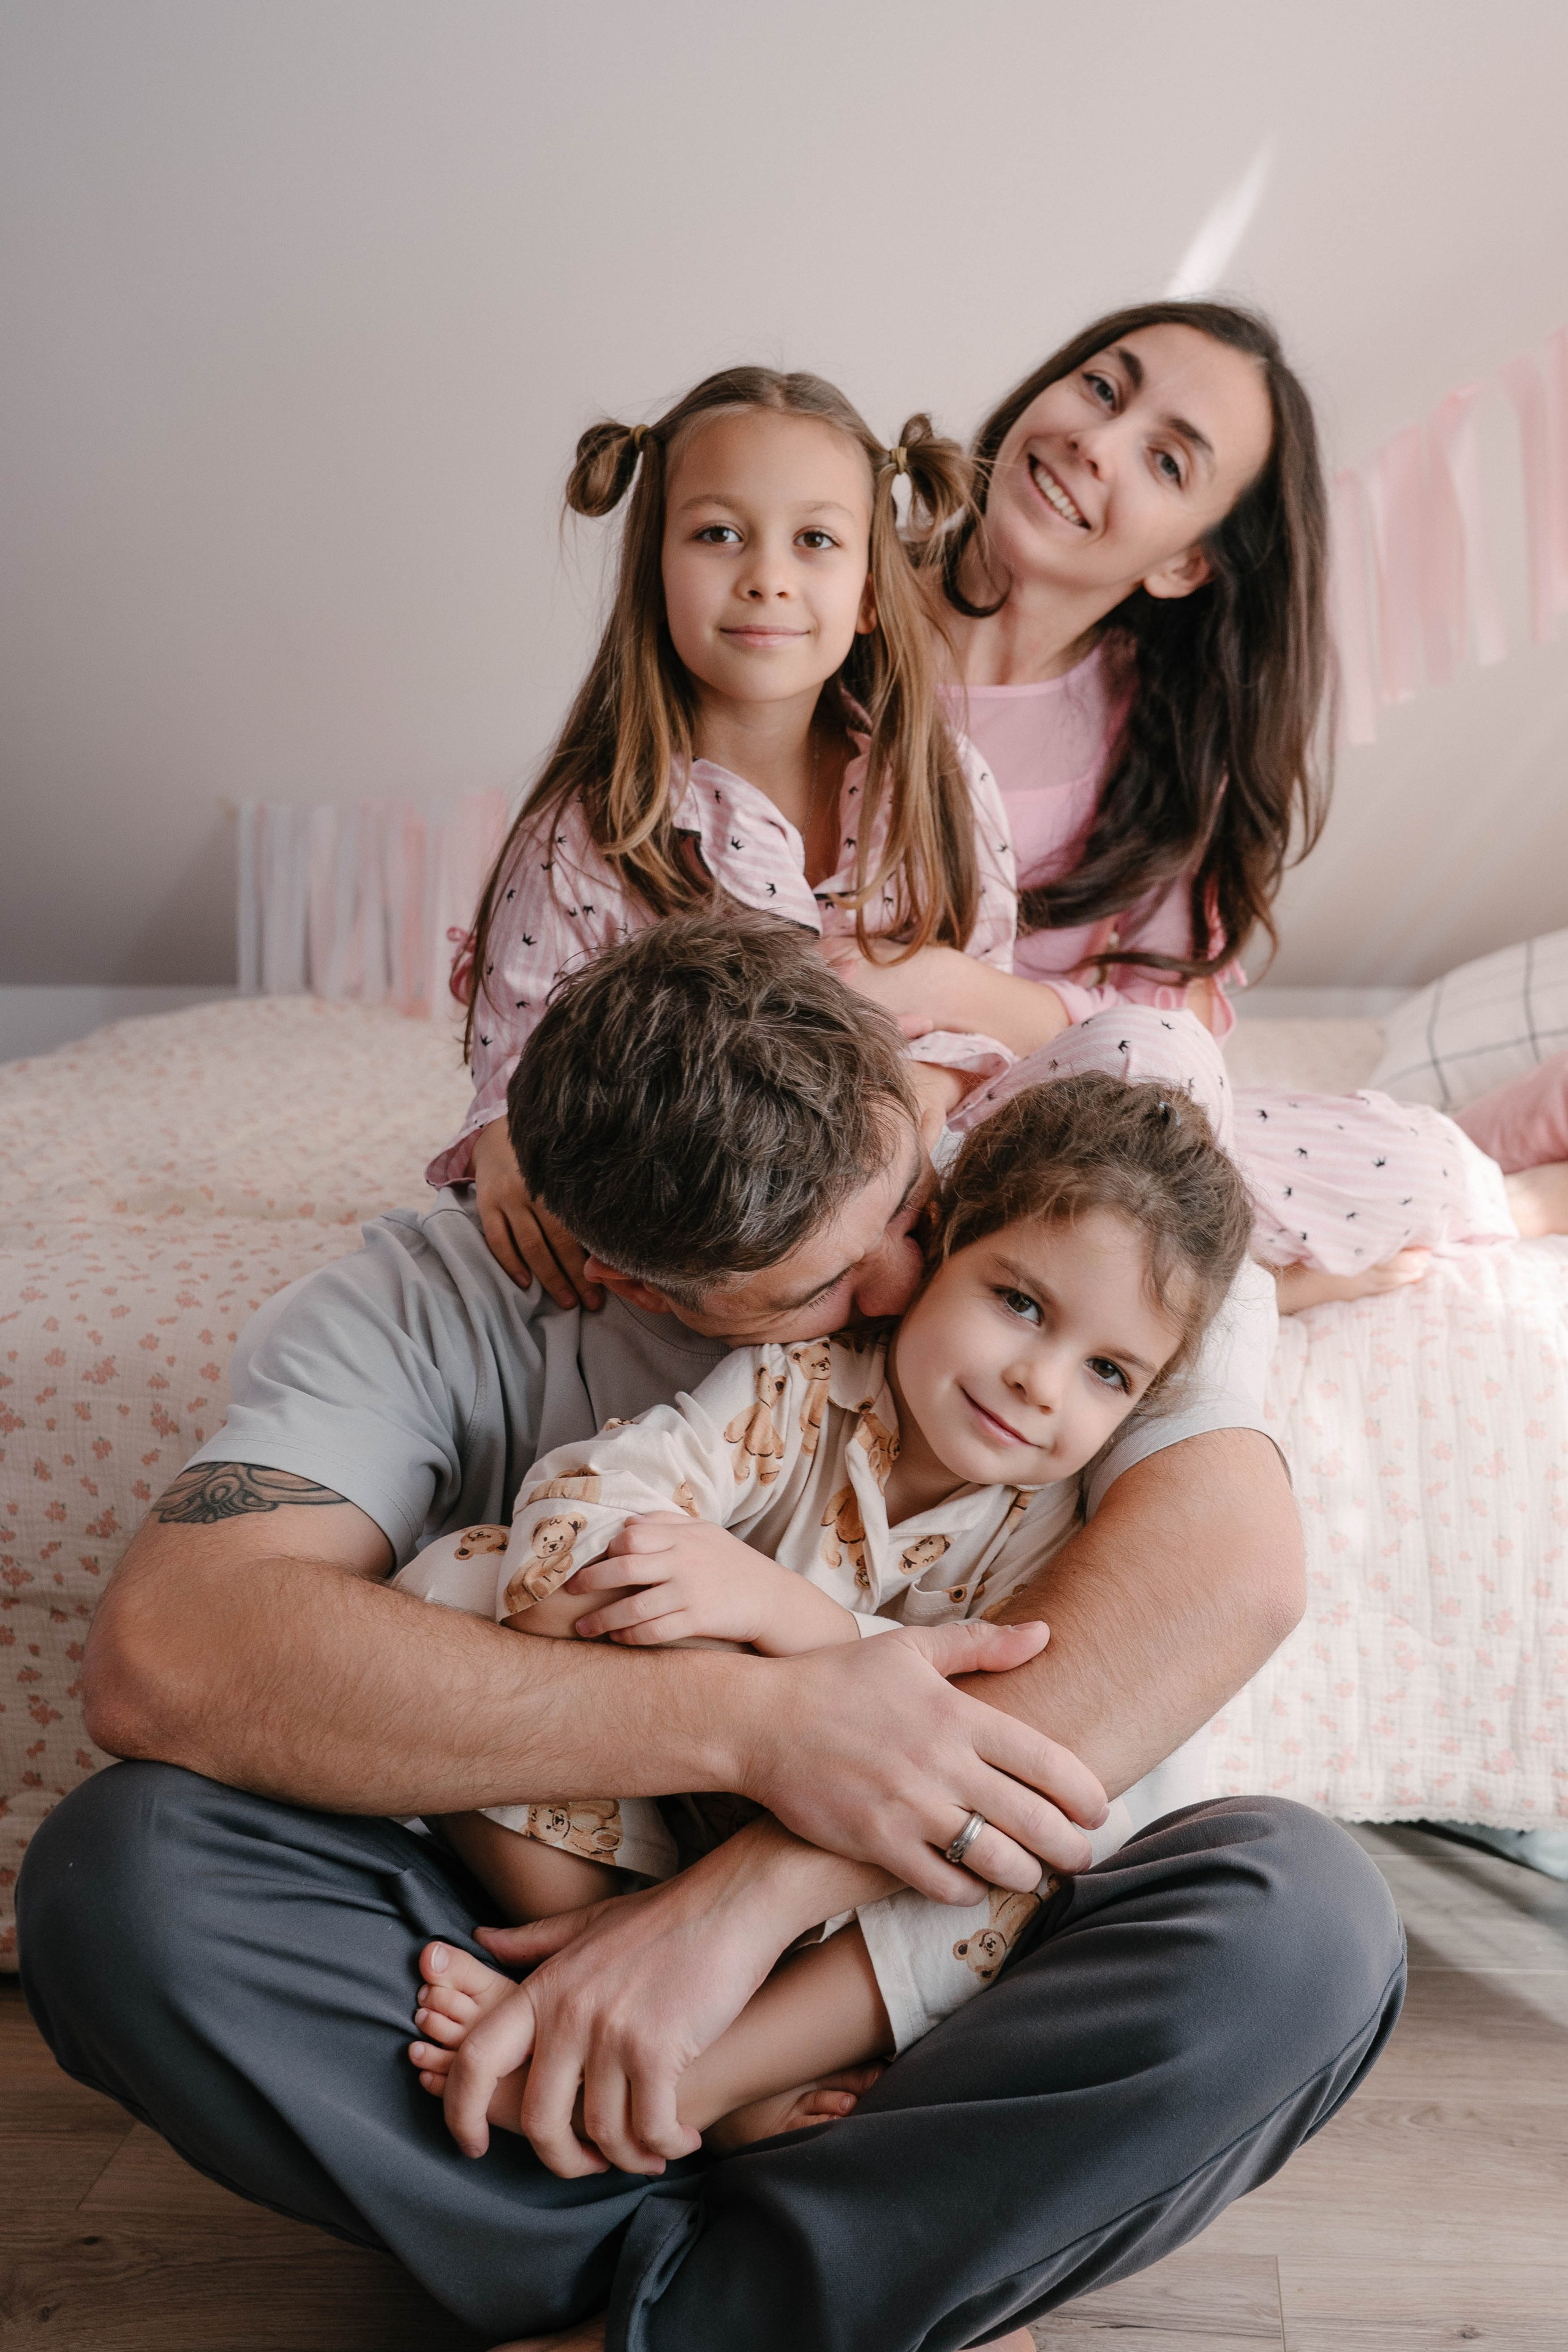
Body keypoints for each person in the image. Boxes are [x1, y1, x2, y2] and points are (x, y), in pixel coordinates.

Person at [20, 913, 1404, 2352]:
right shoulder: (436, 1307)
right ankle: (821, 2268)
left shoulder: (1073, 1247)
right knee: (123, 1872)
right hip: (554, 1901)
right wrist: (764, 1726)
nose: (895, 1288)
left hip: (848, 1958)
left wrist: (722, 1920)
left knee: (1301, 1928)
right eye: (819, 1284)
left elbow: (1223, 1583)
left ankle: (635, 2223)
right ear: (620, 1274)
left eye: (910, 1209)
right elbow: (172, 1650)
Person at [401, 1065, 1253, 2167]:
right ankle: (602, 1950)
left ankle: (703, 2076)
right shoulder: (793, 1388)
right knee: (458, 1583)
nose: (1042, 1383)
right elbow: (574, 1525)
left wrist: (786, 1615)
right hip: (678, 1789)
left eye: (1107, 1371)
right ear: (935, 1251)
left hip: (835, 1888)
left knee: (1026, 1844)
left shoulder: (1056, 1524)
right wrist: (674, 1603)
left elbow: (963, 1739)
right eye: (1021, 1303)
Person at [817, 301, 1568, 1306]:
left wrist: (958, 996)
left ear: (1183, 564)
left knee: (1387, 1159)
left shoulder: (1154, 736)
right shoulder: (829, 598)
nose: (1095, 441)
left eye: (1167, 462)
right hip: (825, 1088)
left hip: (1044, 1121)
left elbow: (1163, 1033)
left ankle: (1501, 1203)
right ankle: (1239, 1287)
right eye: (1101, 387)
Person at [432, 361, 1028, 1311]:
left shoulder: (938, 785)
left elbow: (985, 998)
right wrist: (505, 1134)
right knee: (454, 1267)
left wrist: (929, 1088)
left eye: (816, 541)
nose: (767, 579)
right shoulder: (593, 823)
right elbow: (521, 1046)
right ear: (653, 571)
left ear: (872, 592)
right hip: (696, 1200)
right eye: (718, 534)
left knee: (1137, 1096)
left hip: (902, 1177)